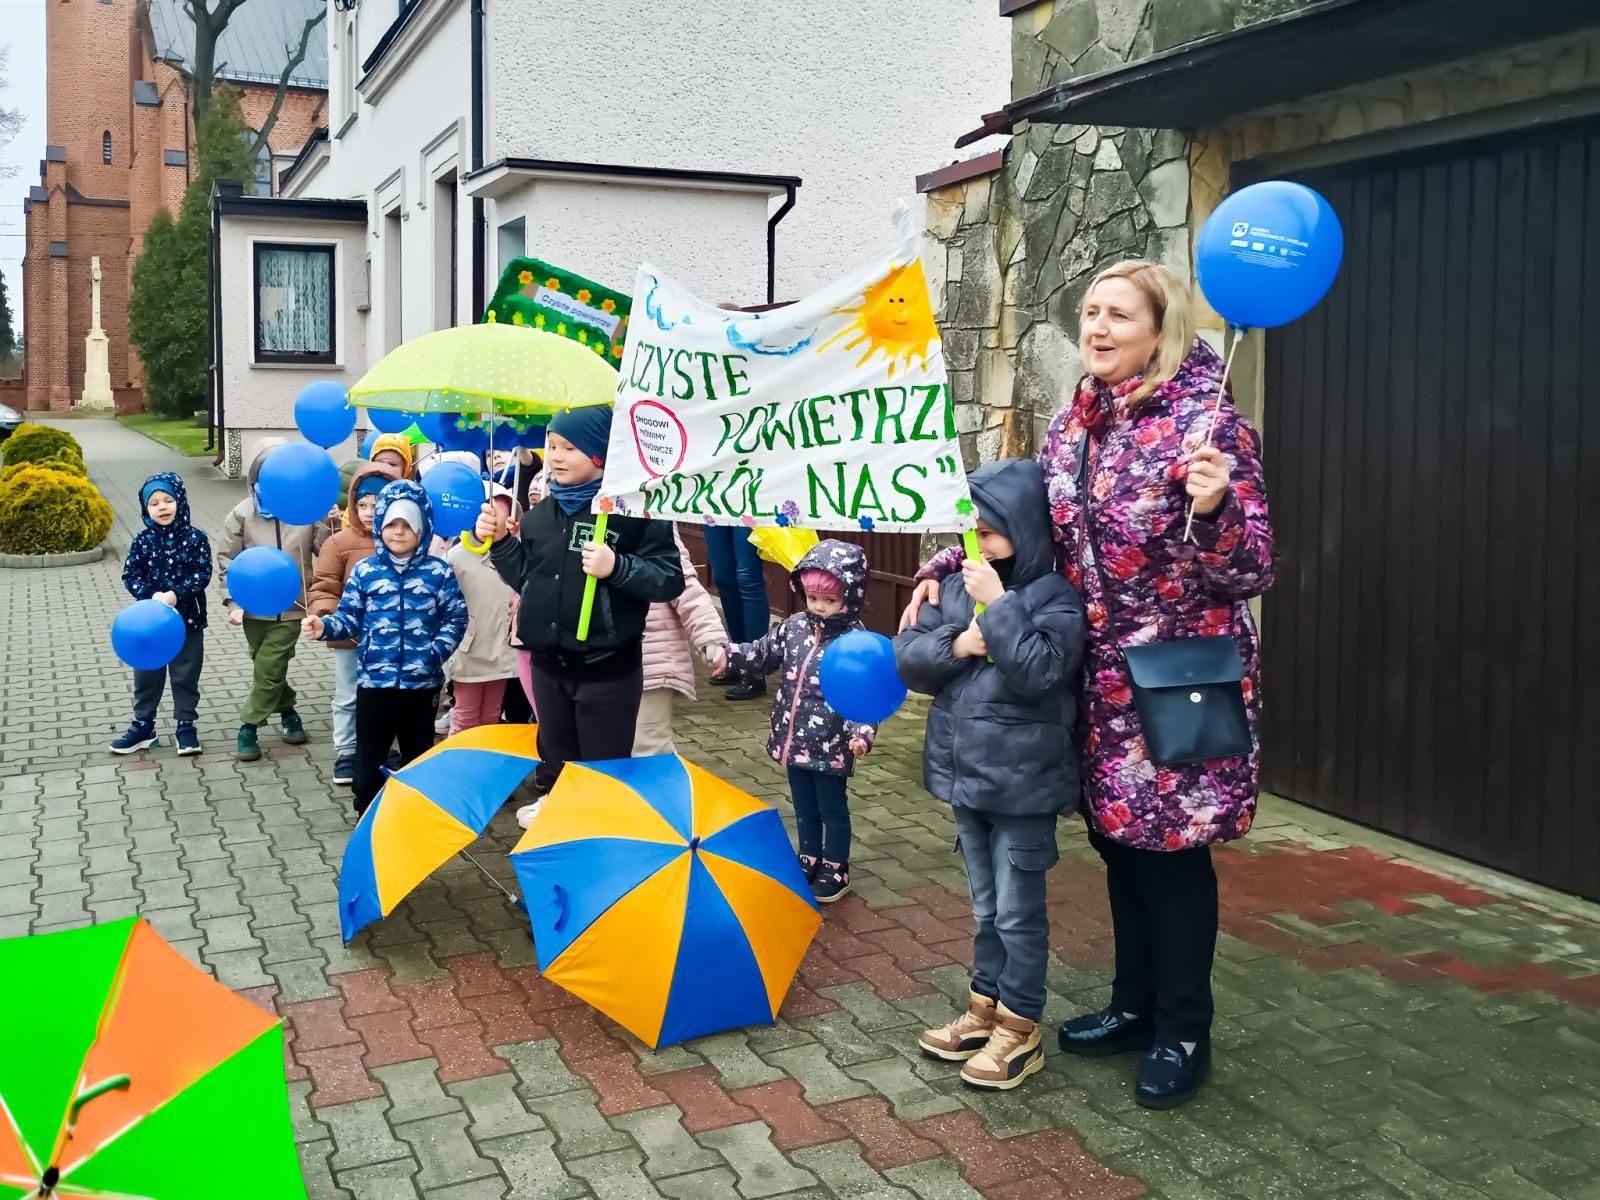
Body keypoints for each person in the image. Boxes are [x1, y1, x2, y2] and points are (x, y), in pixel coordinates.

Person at [901, 260, 1273, 1109]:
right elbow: (1027, 530)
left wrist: (1216, 512)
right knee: (1115, 844)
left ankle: (1185, 1027)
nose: (1098, 330)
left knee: (1171, 856)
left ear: (1160, 329)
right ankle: (1134, 1005)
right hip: (1091, 673)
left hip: (1178, 671)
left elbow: (1251, 569)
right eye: (1090, 314)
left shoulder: (1209, 428)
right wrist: (943, 563)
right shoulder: (1074, 423)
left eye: (1118, 316)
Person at [895, 458, 1084, 1091]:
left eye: (992, 528)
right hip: (965, 776)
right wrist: (959, 645)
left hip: (1023, 785)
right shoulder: (953, 585)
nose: (978, 539)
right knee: (983, 907)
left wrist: (998, 611)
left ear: (1025, 528)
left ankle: (1021, 1024)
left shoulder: (1055, 597)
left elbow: (1039, 673)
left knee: (1017, 912)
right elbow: (912, 661)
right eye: (971, 525)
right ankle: (984, 1007)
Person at [474, 406, 684, 819]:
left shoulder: (633, 513)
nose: (554, 456)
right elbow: (529, 583)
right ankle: (560, 840)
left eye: (569, 447)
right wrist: (500, 543)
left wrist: (617, 567)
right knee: (556, 768)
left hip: (607, 671)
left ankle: (603, 846)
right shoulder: (538, 518)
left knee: (603, 776)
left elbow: (668, 577)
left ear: (600, 455)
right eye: (552, 445)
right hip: (550, 669)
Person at [716, 540, 875, 904]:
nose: (819, 606)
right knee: (803, 805)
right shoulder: (794, 628)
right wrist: (732, 655)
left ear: (851, 597)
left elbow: (865, 695)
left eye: (829, 600)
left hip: (833, 744)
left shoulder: (855, 642)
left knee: (831, 808)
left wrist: (862, 733)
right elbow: (763, 652)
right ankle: (808, 857)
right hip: (794, 739)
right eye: (812, 597)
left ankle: (836, 865)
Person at [303, 479, 468, 815]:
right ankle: (366, 808)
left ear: (422, 528)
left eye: (408, 524)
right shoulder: (366, 572)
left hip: (421, 685)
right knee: (370, 751)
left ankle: (416, 809)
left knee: (418, 752)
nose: (398, 531)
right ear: (379, 524)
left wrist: (435, 653)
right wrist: (324, 626)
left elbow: (456, 618)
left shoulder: (439, 572)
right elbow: (349, 618)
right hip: (374, 683)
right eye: (391, 522)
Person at [219, 441, 331, 762]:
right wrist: (232, 602)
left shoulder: (305, 511)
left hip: (295, 608)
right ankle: (289, 712)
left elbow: (324, 550)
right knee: (267, 665)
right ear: (256, 480)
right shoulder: (241, 514)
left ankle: (249, 726)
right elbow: (227, 560)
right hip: (252, 610)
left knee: (268, 668)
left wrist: (327, 522)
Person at [308, 461, 400, 785]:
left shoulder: (402, 541)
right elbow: (324, 585)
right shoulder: (338, 544)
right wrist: (326, 616)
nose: (370, 512)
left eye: (378, 504)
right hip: (349, 640)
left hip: (389, 641)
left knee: (387, 696)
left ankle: (385, 747)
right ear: (353, 505)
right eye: (362, 505)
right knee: (348, 695)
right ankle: (347, 751)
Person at [112, 472, 213, 756]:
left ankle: (185, 726)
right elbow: (130, 574)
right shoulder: (142, 541)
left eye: (168, 500)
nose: (162, 507)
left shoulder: (196, 538)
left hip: (188, 620)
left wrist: (176, 593)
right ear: (146, 509)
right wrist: (151, 595)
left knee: (185, 675)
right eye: (154, 503)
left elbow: (202, 573)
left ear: (180, 501)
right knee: (147, 674)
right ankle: (143, 726)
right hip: (148, 625)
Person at [635, 527, 728, 756]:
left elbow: (683, 583)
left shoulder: (652, 520)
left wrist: (709, 637)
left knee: (647, 747)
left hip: (651, 660)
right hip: (592, 663)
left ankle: (662, 791)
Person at [446, 488, 518, 735]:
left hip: (501, 650)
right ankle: (458, 767)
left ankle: (483, 769)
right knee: (465, 717)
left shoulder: (517, 553)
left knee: (491, 715)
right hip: (471, 651)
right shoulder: (456, 557)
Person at [703, 524, 770, 700]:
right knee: (723, 577)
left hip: (750, 500)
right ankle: (737, 659)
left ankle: (754, 669)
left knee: (748, 576)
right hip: (714, 500)